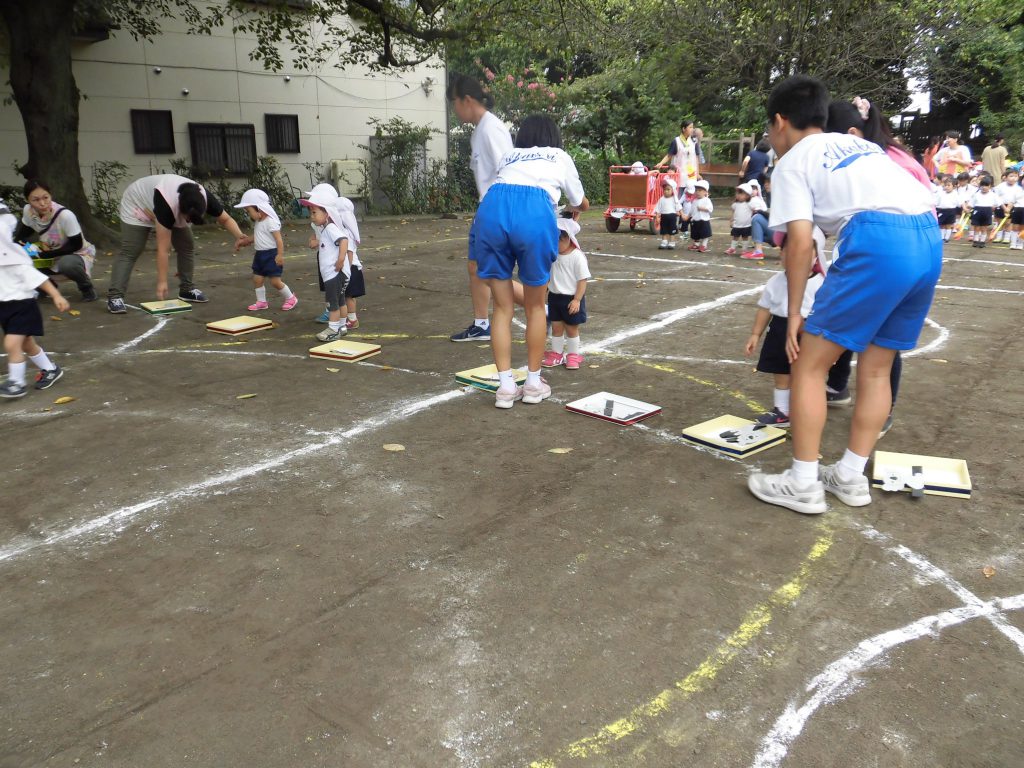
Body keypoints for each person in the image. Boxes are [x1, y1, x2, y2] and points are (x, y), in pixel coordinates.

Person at [747, 75, 940, 516]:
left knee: (810, 365)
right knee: (877, 368)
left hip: (876, 241)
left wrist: (794, 312)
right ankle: (850, 476)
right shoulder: (864, 147)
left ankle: (802, 483)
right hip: (927, 241)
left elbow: (798, 243)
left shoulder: (794, 161)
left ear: (780, 122)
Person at [473, 114, 589, 409]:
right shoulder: (559, 156)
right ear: (554, 136)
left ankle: (505, 388)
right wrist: (579, 207)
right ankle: (534, 384)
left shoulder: (510, 155)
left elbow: (506, 185)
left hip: (492, 209)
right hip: (534, 212)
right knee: (536, 306)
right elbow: (579, 201)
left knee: (501, 307)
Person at [107, 174, 247, 314]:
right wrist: (162, 283)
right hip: (138, 202)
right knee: (132, 249)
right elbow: (163, 249)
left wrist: (239, 236)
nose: (189, 222)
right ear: (181, 210)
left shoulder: (203, 198)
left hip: (169, 204)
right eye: (188, 219)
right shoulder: (166, 206)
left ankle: (186, 289)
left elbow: (226, 219)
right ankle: (115, 296)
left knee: (186, 245)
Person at [447, 74, 516, 343]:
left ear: (467, 100)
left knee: (488, 270)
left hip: (496, 209)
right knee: (476, 267)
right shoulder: (479, 130)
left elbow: (508, 171)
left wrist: (499, 214)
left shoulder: (492, 129)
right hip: (486, 209)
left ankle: (540, 308)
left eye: (454, 102)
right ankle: (481, 323)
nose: (453, 110)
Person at [744, 228, 827, 427]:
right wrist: (756, 334)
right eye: (787, 251)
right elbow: (765, 309)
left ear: (816, 257)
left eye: (804, 252)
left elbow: (828, 314)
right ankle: (782, 411)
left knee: (806, 375)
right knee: (780, 372)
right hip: (779, 330)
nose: (794, 256)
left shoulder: (821, 283)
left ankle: (805, 411)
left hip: (809, 333)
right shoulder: (775, 281)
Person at [0, 198, 69, 399]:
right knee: (27, 344)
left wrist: (56, 295)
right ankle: (50, 369)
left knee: (12, 344)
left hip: (23, 306)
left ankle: (17, 383)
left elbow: (39, 278)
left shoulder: (14, 259)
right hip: (4, 308)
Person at [14, 180, 97, 302]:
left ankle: (86, 287)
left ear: (50, 195)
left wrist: (47, 255)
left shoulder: (65, 215)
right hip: (49, 250)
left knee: (67, 264)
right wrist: (30, 250)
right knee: (21, 257)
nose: (42, 203)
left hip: (76, 253)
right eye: (35, 200)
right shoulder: (28, 211)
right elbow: (20, 238)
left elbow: (77, 244)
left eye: (45, 198)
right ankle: (47, 286)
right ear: (28, 200)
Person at [233, 189, 297, 312]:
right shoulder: (259, 221)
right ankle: (261, 302)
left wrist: (279, 255)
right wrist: (245, 241)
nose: (248, 214)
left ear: (259, 209)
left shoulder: (271, 222)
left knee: (275, 281)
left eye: (248, 211)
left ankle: (290, 298)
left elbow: (278, 240)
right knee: (257, 279)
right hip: (260, 255)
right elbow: (257, 236)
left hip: (271, 255)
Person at [301, 188, 350, 342]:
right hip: (334, 274)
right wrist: (316, 242)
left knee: (332, 303)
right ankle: (342, 326)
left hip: (334, 274)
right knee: (340, 300)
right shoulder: (325, 230)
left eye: (314, 212)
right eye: (311, 212)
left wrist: (341, 259)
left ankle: (333, 329)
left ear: (327, 213)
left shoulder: (330, 228)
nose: (312, 216)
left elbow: (344, 240)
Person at [542, 217, 590, 370]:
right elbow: (550, 274)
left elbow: (582, 280)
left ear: (568, 238)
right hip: (555, 298)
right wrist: (546, 288)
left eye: (558, 241)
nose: (554, 245)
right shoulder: (553, 255)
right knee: (556, 328)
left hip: (571, 299)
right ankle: (557, 354)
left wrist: (577, 300)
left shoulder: (577, 257)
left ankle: (573, 355)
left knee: (571, 329)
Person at [996, 168, 1024, 249]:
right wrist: (1007, 208)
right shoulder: (1019, 190)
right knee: (1014, 226)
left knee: (1022, 228)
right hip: (1016, 209)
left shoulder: (1017, 188)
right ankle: (1013, 242)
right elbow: (1012, 201)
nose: (1014, 178)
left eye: (1015, 176)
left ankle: (1020, 243)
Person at [965, 176, 997, 248]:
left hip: (987, 212)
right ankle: (976, 240)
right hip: (977, 211)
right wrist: (967, 208)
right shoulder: (976, 194)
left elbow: (998, 203)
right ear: (979, 186)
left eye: (986, 185)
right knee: (976, 227)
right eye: (982, 185)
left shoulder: (993, 194)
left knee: (984, 228)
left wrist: (1004, 209)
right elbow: (971, 204)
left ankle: (982, 241)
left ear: (990, 186)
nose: (984, 187)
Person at [726, 183, 756, 255]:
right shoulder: (735, 204)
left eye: (741, 193)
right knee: (735, 237)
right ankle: (732, 248)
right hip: (737, 225)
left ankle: (744, 250)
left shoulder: (749, 204)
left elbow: (754, 210)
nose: (738, 195)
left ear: (747, 195)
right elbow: (733, 212)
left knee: (745, 237)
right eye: (737, 193)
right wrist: (731, 220)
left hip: (746, 225)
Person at [654, 178, 683, 249]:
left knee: (672, 231)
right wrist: (657, 217)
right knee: (664, 230)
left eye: (668, 189)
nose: (666, 191)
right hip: (664, 216)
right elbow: (658, 209)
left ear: (673, 190)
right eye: (664, 190)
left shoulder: (675, 199)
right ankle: (664, 242)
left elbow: (679, 208)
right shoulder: (661, 199)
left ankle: (672, 243)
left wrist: (682, 214)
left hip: (672, 217)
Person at [934, 175, 962, 242]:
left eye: (949, 185)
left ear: (954, 186)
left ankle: (947, 238)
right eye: (945, 185)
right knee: (941, 225)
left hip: (951, 211)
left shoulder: (955, 194)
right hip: (941, 210)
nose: (946, 187)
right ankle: (942, 237)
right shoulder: (940, 193)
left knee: (948, 225)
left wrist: (963, 206)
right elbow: (936, 202)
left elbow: (959, 203)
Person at [687, 180, 713, 252]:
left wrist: (703, 208)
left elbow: (710, 209)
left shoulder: (707, 200)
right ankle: (696, 244)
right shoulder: (695, 200)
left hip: (703, 220)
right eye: (696, 190)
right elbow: (691, 210)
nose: (697, 192)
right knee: (695, 233)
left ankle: (704, 245)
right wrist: (689, 216)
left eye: (700, 190)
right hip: (695, 220)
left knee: (705, 233)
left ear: (705, 192)